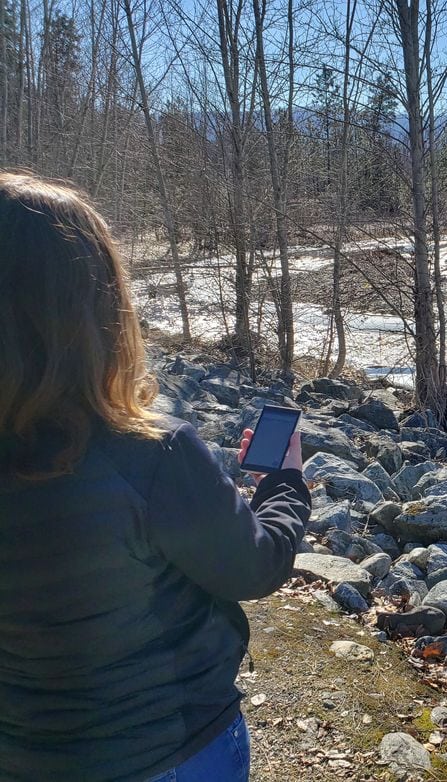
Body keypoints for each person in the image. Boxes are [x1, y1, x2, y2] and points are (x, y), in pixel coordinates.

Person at [0, 172, 311, 782]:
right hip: (167, 750)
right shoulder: (149, 454)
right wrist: (284, 482)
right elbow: (255, 566)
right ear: (96, 310)